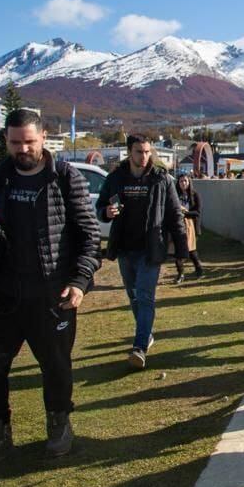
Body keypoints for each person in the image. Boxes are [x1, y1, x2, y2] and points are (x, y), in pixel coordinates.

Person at [0, 109, 102, 473]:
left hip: (51, 296)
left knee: (56, 367)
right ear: (6, 140)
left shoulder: (65, 177)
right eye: (15, 142)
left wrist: (79, 280)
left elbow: (89, 236)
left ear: (44, 137)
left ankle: (59, 425)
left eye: (29, 141)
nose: (22, 148)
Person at [97, 134, 188, 370]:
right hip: (125, 248)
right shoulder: (116, 177)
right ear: (129, 152)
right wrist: (106, 212)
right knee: (134, 296)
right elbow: (101, 207)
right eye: (139, 152)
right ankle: (146, 333)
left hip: (151, 249)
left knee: (146, 296)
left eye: (148, 151)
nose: (144, 156)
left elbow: (175, 214)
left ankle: (139, 347)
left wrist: (181, 249)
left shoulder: (161, 179)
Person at [173, 173, 204, 283]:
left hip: (191, 225)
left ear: (189, 182)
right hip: (177, 225)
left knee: (191, 250)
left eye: (185, 181)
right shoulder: (174, 195)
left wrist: (185, 213)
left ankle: (199, 269)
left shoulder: (195, 195)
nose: (183, 183)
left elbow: (197, 212)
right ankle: (180, 274)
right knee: (177, 251)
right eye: (181, 181)